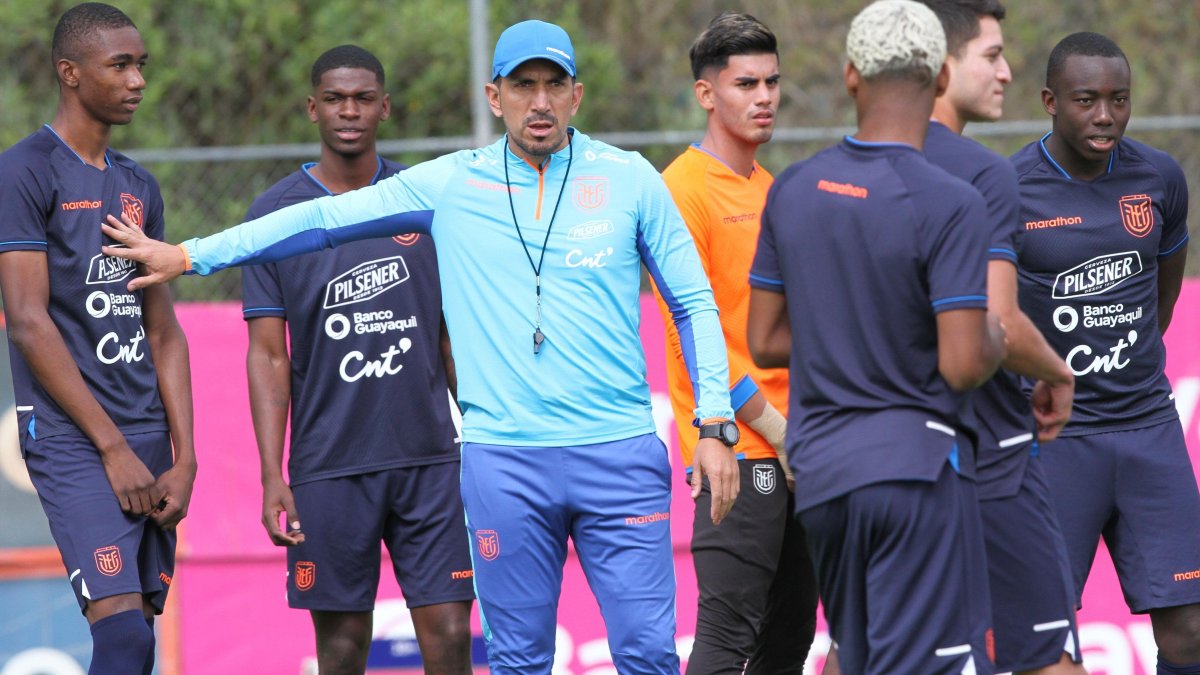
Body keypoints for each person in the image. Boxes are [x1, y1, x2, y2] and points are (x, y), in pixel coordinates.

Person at [100, 19, 739, 674]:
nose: (540, 102)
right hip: (505, 464)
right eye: (523, 85)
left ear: (577, 95)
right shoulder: (451, 184)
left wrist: (715, 422)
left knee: (647, 654)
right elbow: (320, 219)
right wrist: (189, 255)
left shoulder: (631, 179)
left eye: (555, 85)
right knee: (519, 662)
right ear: (495, 97)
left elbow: (693, 303)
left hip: (617, 452)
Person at [747, 1, 1006, 673]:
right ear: (941, 77)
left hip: (823, 477)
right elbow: (962, 363)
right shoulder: (952, 201)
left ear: (850, 76)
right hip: (914, 471)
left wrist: (849, 328)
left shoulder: (793, 188)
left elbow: (765, 340)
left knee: (856, 658)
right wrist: (996, 334)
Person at [241, 45, 473, 675]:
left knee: (452, 633)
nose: (350, 111)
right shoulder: (273, 214)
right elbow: (268, 355)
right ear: (312, 108)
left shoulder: (424, 200)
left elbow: (451, 337)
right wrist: (271, 474)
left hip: (430, 458)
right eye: (336, 99)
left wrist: (485, 433)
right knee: (342, 647)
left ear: (385, 107)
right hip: (330, 465)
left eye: (363, 98)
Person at [0, 4, 195, 674]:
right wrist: (112, 448)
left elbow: (163, 330)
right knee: (123, 639)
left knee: (138, 640)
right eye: (119, 65)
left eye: (140, 64)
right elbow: (28, 320)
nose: (137, 79)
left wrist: (186, 457)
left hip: (148, 437)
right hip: (75, 439)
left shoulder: (138, 184)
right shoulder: (25, 171)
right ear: (70, 72)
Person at [1011, 31, 1200, 675]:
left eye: (1119, 99)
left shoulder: (1159, 177)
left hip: (1149, 429)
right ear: (1050, 101)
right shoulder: (1009, 188)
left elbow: (1162, 301)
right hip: (1053, 440)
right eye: (1086, 100)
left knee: (1191, 632)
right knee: (1045, 643)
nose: (1105, 116)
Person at [918, 2, 1085, 673]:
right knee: (1048, 658)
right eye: (991, 55)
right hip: (988, 456)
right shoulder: (984, 172)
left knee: (865, 648)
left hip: (871, 467)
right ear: (941, 64)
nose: (1008, 72)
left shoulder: (833, 173)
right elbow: (1002, 322)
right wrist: (1058, 371)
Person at [649, 12, 817, 674]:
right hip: (740, 452)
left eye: (772, 82)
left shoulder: (773, 189)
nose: (765, 97)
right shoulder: (679, 191)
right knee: (726, 642)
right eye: (746, 83)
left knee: (790, 641)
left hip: (799, 447)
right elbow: (691, 338)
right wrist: (775, 429)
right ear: (706, 93)